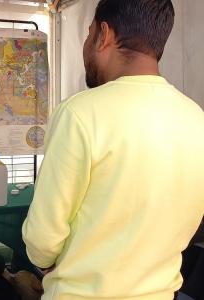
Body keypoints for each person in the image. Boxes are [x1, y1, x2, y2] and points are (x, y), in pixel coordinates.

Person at [22, 0, 204, 299]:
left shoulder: (80, 113)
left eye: (88, 32)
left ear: (103, 35)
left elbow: (44, 236)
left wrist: (43, 261)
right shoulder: (196, 117)